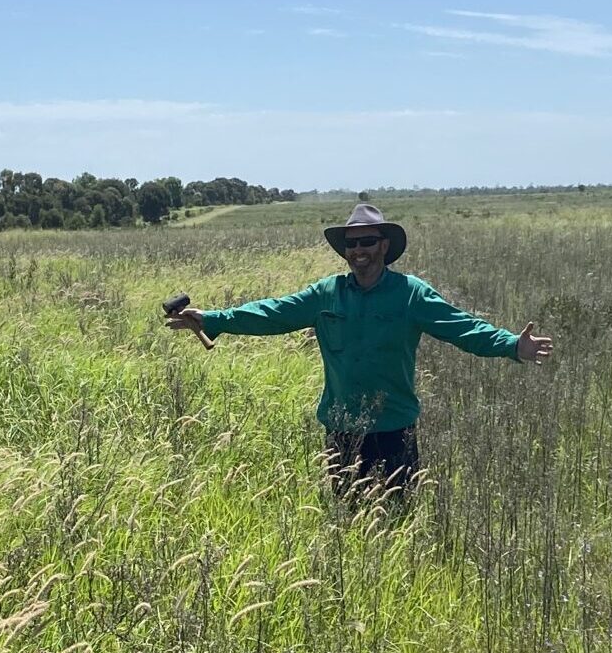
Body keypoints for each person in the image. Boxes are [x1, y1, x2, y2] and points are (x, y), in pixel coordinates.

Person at [168, 202, 553, 504]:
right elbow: (273, 313)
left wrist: (511, 345)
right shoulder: (326, 294)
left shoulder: (411, 294)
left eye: (367, 242)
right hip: (342, 430)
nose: (358, 251)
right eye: (351, 244)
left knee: (398, 519)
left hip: (394, 430)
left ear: (383, 245)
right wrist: (212, 319)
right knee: (347, 520)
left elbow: (462, 327)